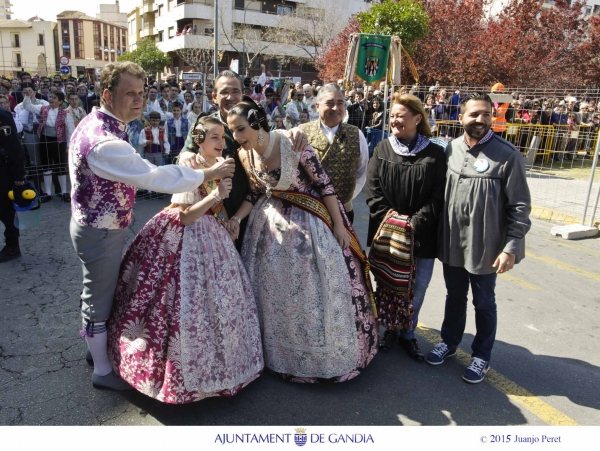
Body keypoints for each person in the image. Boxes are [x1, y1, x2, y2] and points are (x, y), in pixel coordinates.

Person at [68, 61, 235, 391]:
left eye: (141, 93)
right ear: (107, 95)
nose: (138, 100)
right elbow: (154, 177)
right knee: (98, 299)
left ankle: (96, 350)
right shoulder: (104, 141)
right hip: (100, 229)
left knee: (102, 292)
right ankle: (102, 370)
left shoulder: (101, 124)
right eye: (129, 93)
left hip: (100, 224)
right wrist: (207, 175)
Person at [107, 116, 263, 403]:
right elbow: (185, 215)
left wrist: (229, 221)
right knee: (173, 302)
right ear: (199, 140)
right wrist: (216, 193)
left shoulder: (217, 163)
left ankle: (223, 369)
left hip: (212, 233)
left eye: (222, 137)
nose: (221, 142)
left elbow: (217, 207)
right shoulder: (190, 164)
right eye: (214, 137)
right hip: (184, 235)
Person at [225, 97, 377, 382]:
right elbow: (255, 193)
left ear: (257, 124)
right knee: (272, 290)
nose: (236, 137)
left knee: (312, 286)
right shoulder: (245, 155)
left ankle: (320, 357)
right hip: (268, 224)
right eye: (232, 130)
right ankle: (275, 353)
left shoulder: (292, 144)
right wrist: (236, 219)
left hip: (309, 221)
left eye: (241, 129)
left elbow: (325, 186)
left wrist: (338, 226)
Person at [427, 92, 531, 384]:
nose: (481, 119)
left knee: (484, 302)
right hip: (452, 243)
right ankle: (449, 342)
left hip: (486, 247)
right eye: (474, 114)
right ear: (461, 118)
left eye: (486, 114)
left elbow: (520, 207)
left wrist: (510, 248)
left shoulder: (507, 154)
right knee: (454, 296)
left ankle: (481, 356)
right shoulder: (451, 150)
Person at [178, 70, 308, 246]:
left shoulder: (253, 121)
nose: (230, 97)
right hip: (211, 214)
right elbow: (186, 154)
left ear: (242, 94)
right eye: (224, 92)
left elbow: (273, 135)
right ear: (214, 96)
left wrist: (294, 132)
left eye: (235, 91)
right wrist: (185, 155)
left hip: (248, 210)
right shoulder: (204, 125)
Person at [366, 94, 446, 360]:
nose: (394, 120)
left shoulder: (435, 154)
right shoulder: (382, 149)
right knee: (389, 283)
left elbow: (438, 195)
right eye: (393, 115)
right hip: (388, 232)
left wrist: (414, 224)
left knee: (418, 285)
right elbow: (373, 191)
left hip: (422, 233)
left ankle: (408, 332)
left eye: (401, 115)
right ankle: (389, 328)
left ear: (417, 118)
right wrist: (395, 222)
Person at [299, 84, 369, 224]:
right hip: (310, 210)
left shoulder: (356, 134)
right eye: (330, 103)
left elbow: (362, 171)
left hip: (344, 207)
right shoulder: (302, 131)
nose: (336, 108)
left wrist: (347, 196)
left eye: (340, 103)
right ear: (317, 106)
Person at [23, 90, 74, 203]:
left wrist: (69, 145)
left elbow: (70, 131)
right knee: (46, 166)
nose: (51, 99)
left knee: (61, 166)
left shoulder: (65, 114)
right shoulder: (42, 108)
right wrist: (27, 96)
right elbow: (27, 106)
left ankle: (64, 192)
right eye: (50, 97)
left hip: (59, 142)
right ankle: (48, 193)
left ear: (60, 101)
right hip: (45, 140)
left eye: (54, 98)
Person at [0, 106, 26, 263]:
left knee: (5, 210)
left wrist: (18, 174)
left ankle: (12, 246)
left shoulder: (2, 116)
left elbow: (13, 146)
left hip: (3, 171)